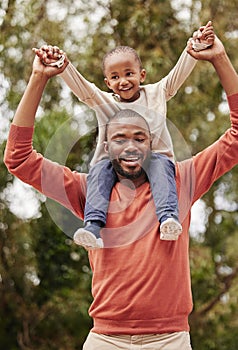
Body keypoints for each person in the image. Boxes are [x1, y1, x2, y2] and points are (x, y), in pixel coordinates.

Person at [4, 34, 238, 349]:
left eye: (140, 138)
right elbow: (18, 158)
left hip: (169, 339)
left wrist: (219, 59)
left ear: (152, 142)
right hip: (106, 339)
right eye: (119, 139)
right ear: (107, 146)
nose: (130, 146)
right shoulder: (88, 191)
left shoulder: (181, 181)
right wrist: (38, 78)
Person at [32, 21, 214, 250]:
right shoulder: (105, 102)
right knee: (98, 169)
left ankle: (168, 218)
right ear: (108, 83)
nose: (124, 81)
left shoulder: (157, 93)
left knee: (160, 163)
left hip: (155, 161)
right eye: (116, 77)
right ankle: (92, 226)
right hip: (115, 166)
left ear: (142, 74)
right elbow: (83, 88)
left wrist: (195, 48)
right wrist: (62, 65)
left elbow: (177, 74)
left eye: (129, 74)